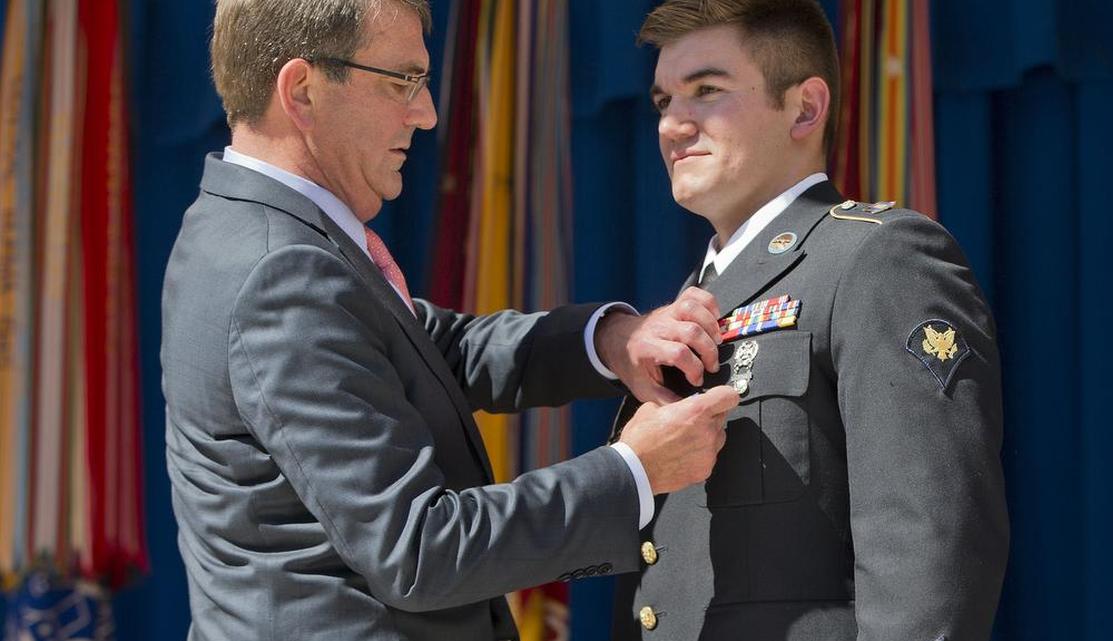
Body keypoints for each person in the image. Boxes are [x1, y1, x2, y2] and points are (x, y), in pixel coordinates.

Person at [160, 1, 739, 639]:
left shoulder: (244, 226)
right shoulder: (281, 268)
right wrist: (635, 469)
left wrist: (608, 340)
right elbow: (420, 552)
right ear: (302, 90)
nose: (427, 112)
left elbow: (430, 347)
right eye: (401, 81)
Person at [610, 1, 1009, 639]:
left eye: (705, 91)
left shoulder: (879, 258)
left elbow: (929, 545)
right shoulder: (692, 303)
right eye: (662, 102)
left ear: (805, 107)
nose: (673, 125)